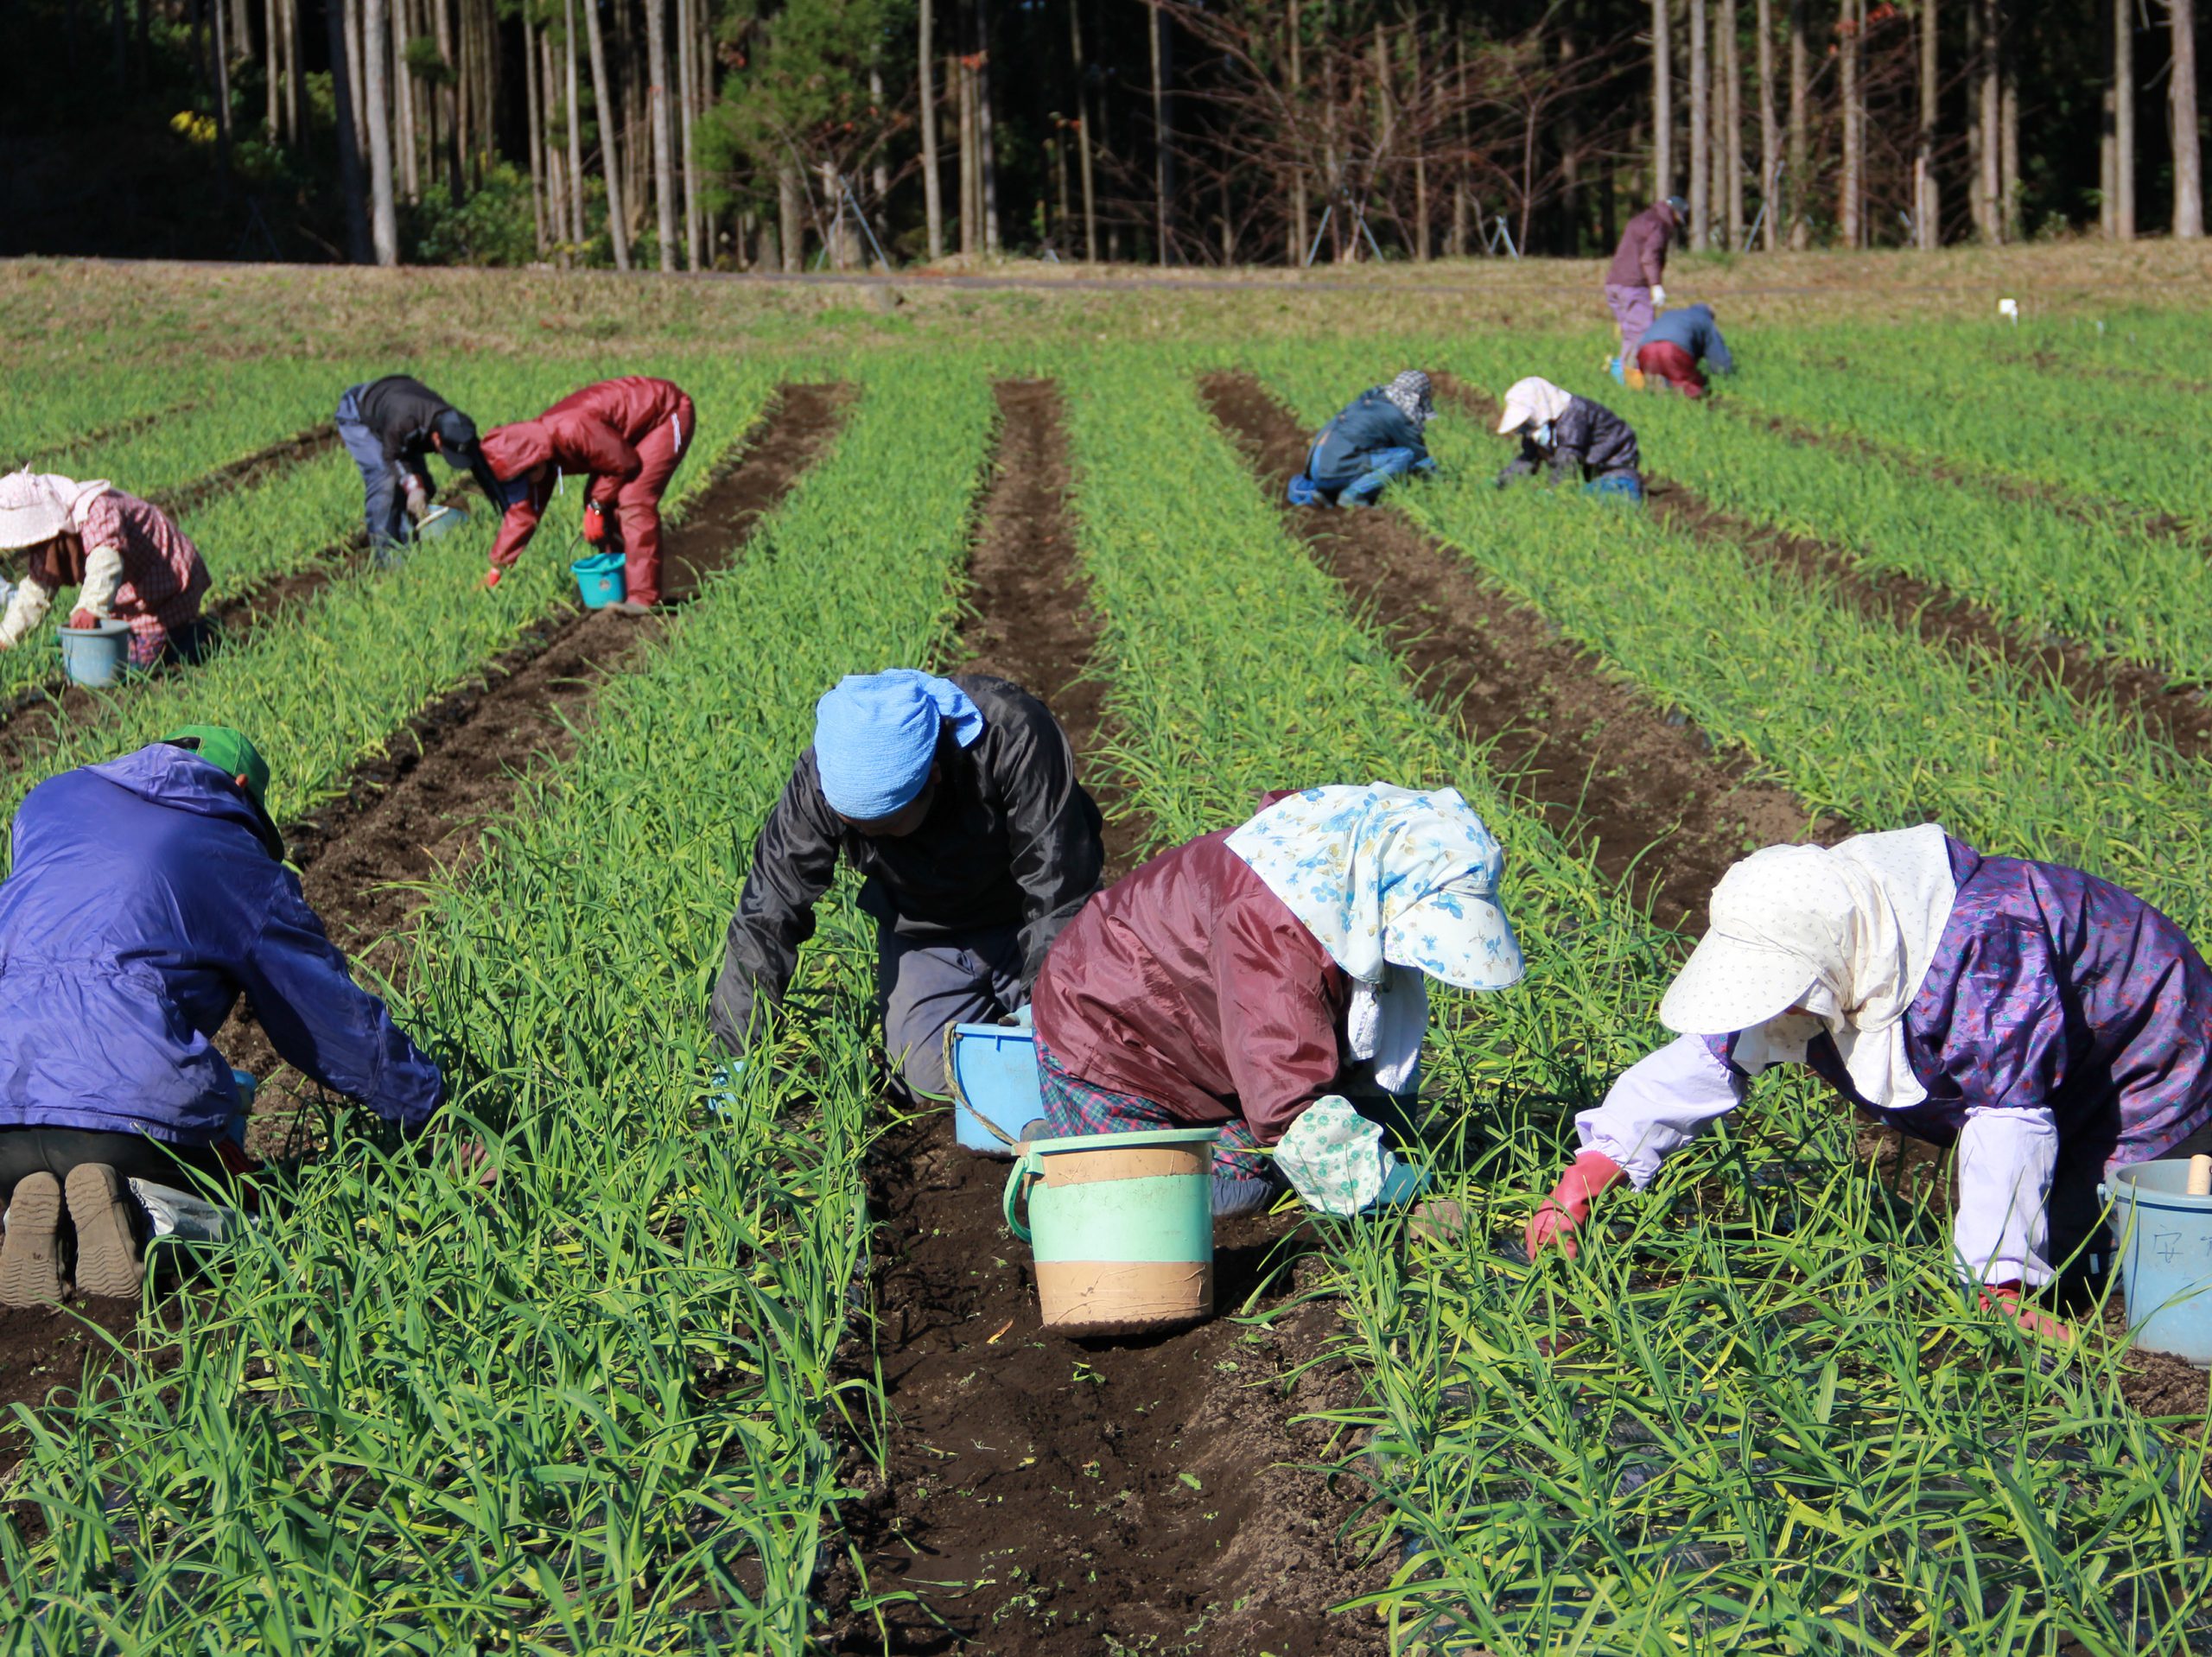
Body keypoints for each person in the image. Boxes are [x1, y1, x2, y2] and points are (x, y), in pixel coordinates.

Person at [1523, 825, 2212, 1342]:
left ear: (1832, 961)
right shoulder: (1826, 925)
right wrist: (1585, 1177)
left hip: (2142, 1056)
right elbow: (1703, 1062)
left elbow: (2007, 1113)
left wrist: (1999, 1285)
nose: (1781, 1009)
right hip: (2045, 1066)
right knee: (2058, 1255)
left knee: (2109, 1267)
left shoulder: (1984, 946)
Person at [0, 727, 447, 1307]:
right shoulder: (227, 847)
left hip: (4, 1112)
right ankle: (153, 1220)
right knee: (259, 1214)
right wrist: (433, 1112)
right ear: (239, 786)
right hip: (128, 1118)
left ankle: (22, 1213)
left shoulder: (47, 804)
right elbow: (329, 1017)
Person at [1028, 784, 1525, 1218]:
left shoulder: (1349, 882)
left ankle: (1105, 1143)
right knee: (1213, 1195)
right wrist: (1395, 1192)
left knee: (1286, 1160)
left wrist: (1392, 1144)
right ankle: (1063, 1161)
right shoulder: (1274, 924)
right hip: (1108, 1042)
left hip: (1203, 1050)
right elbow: (1286, 1103)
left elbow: (1368, 1037)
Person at [710, 670, 1104, 1102]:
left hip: (1022, 919)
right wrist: (734, 1054)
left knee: (1080, 1060)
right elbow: (767, 914)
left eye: (883, 827)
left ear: (933, 776)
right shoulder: (825, 777)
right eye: (854, 827)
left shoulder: (1011, 735)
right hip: (926, 931)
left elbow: (1059, 887)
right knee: (927, 1088)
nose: (867, 837)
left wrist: (1048, 1006)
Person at [479, 376, 694, 616]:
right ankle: (619, 584)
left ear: (533, 463)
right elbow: (524, 512)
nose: (528, 486)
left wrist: (596, 505)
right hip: (622, 439)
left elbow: (625, 462)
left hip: (665, 415)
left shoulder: (573, 430)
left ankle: (643, 597)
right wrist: (497, 567)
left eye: (525, 481)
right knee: (601, 501)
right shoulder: (535, 453)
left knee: (633, 500)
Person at [0, 469, 213, 670]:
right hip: (131, 596)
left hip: (168, 586)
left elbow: (106, 562)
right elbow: (35, 592)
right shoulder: (48, 542)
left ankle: (196, 638)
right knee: (75, 650)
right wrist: (6, 637)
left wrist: (90, 607)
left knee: (134, 664)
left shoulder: (97, 511)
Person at [333, 374, 500, 562]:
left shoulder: (460, 428)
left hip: (399, 398)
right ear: (436, 439)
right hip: (358, 412)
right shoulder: (403, 423)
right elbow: (393, 456)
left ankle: (412, 540)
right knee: (386, 479)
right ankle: (387, 557)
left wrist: (507, 510)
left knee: (426, 486)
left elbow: (482, 469)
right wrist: (413, 487)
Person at [1287, 371, 1440, 508]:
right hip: (1336, 470)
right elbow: (1420, 457)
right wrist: (1440, 478)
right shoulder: (1396, 415)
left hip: (1316, 469)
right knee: (1404, 455)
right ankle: (1354, 494)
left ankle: (1321, 492)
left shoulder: (1365, 403)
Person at [1493, 378, 1644, 503]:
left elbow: (1568, 458)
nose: (1524, 429)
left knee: (1599, 500)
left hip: (1614, 468)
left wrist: (1554, 490)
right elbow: (1528, 458)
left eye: (1526, 422)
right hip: (1588, 471)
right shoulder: (1540, 426)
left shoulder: (1574, 415)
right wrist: (1502, 481)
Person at [1605, 195, 1687, 365]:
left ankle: (1624, 372)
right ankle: (1637, 373)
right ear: (1675, 214)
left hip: (1614, 283)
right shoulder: (1658, 225)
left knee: (1629, 334)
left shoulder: (1641, 219)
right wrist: (1655, 285)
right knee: (1643, 334)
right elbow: (1650, 256)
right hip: (1634, 286)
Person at [1634, 302, 1735, 399]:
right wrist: (1726, 377)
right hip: (1672, 350)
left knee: (1657, 390)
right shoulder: (1705, 320)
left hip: (1645, 349)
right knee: (1692, 388)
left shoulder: (1670, 314)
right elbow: (1718, 358)